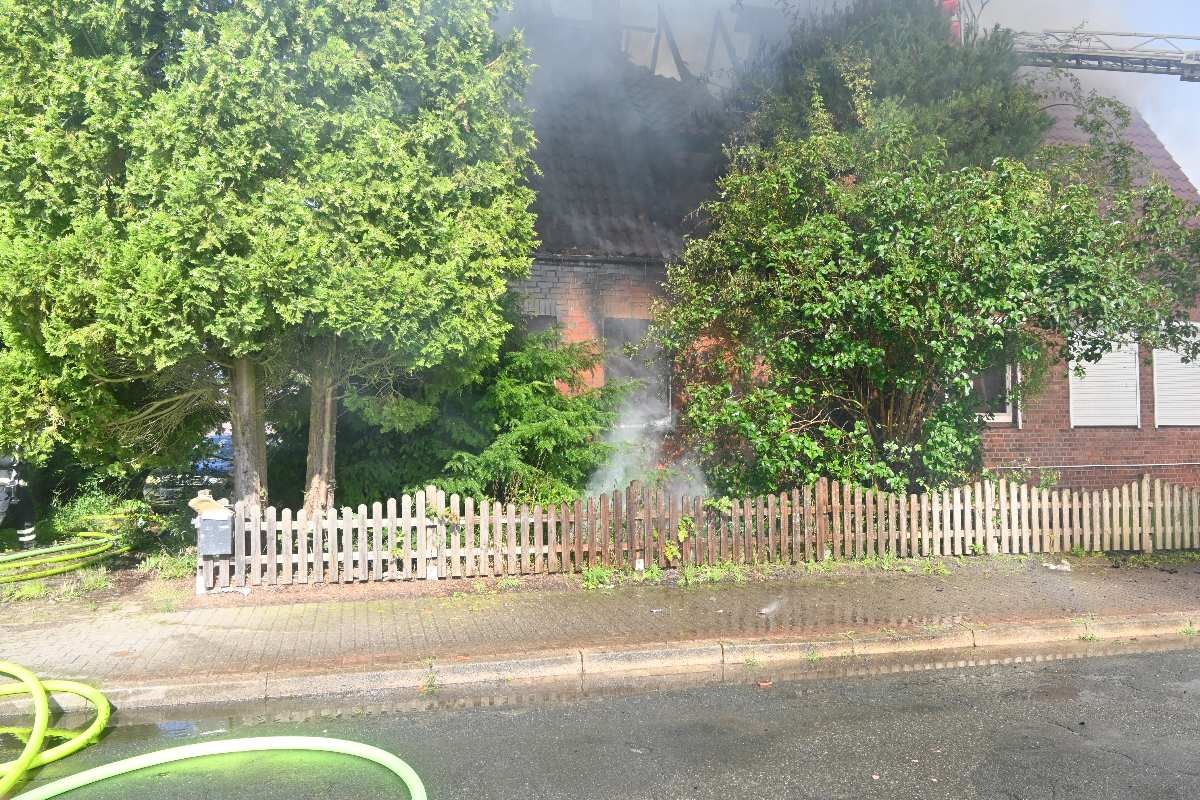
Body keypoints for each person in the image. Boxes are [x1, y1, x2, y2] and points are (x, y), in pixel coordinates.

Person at [0, 454, 35, 547]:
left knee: (25, 514)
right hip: (2, 487)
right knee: (1, 514)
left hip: (17, 486)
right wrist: (15, 459)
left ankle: (29, 544)